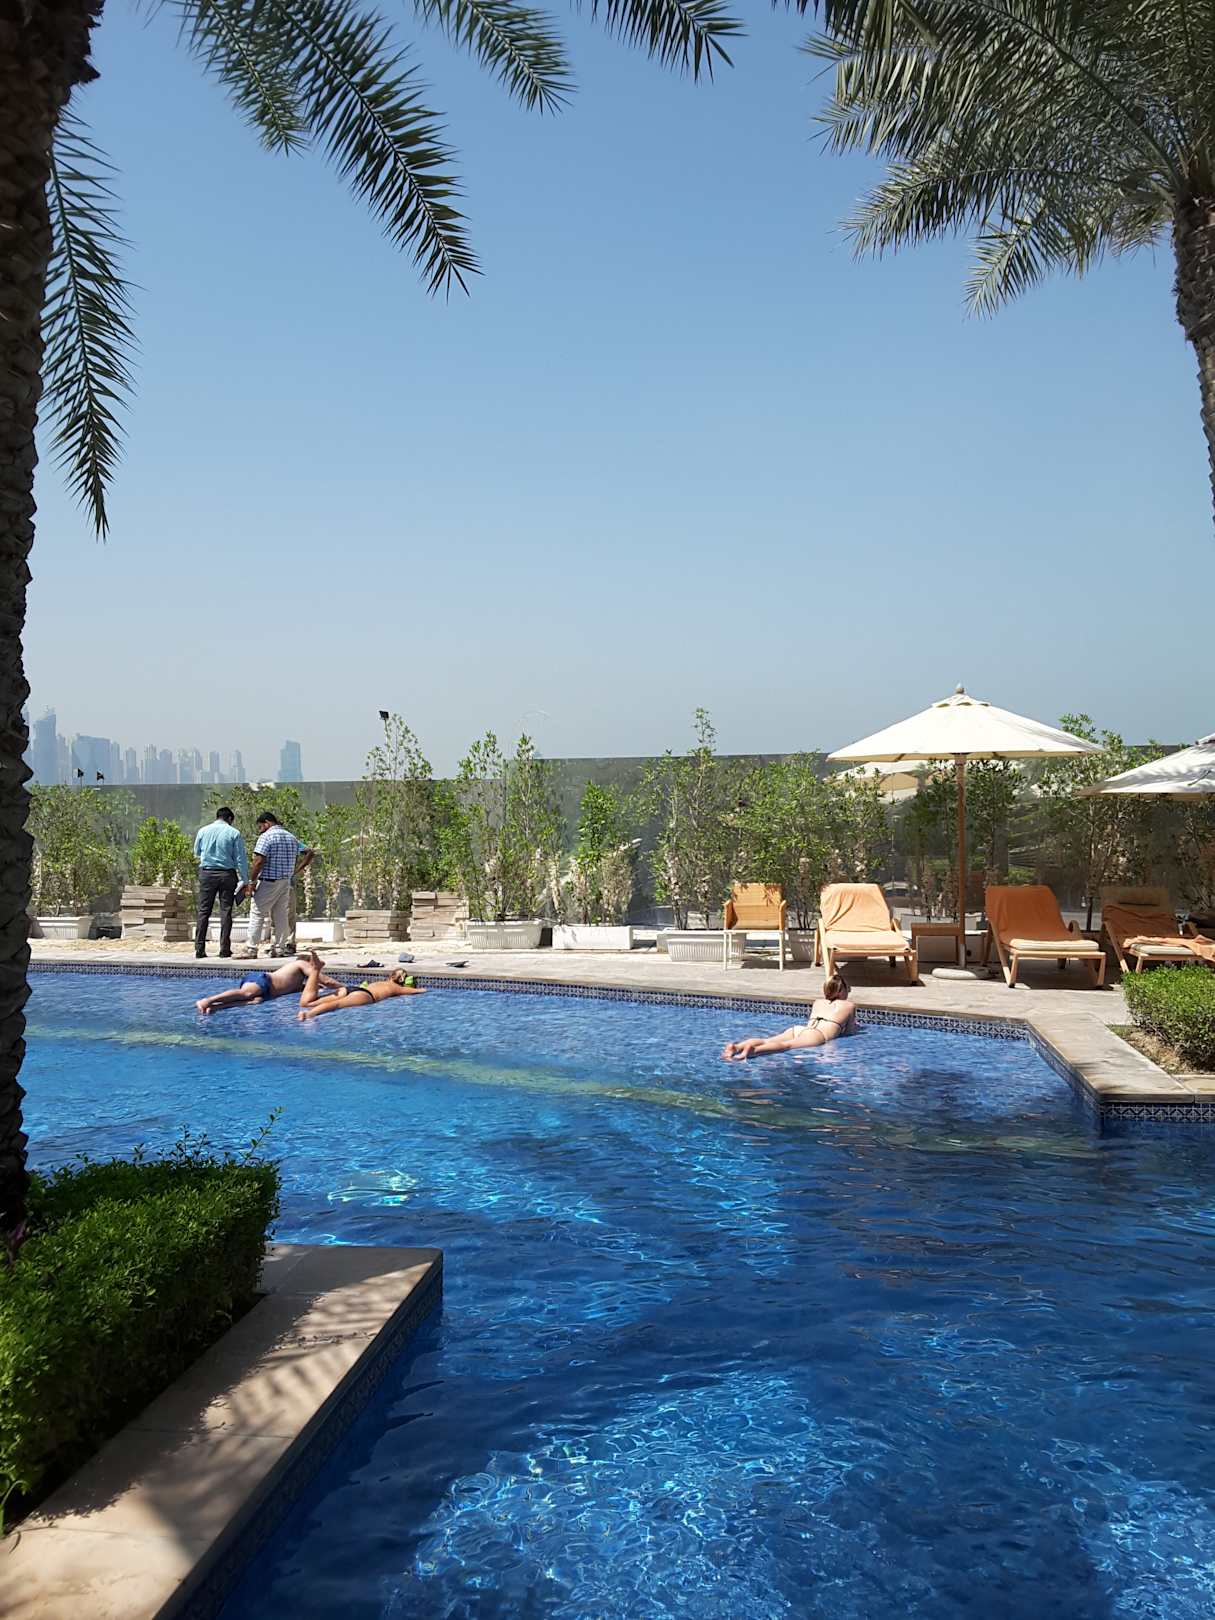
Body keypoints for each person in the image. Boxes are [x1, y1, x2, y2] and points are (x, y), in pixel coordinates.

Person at [721, 974, 857, 1061]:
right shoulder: (849, 1006)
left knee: (766, 1040)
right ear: (841, 991)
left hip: (800, 1029)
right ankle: (753, 1051)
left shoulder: (818, 1002)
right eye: (847, 989)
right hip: (817, 1035)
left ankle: (737, 1047)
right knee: (786, 1046)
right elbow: (849, 1032)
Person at [238, 810, 314, 959]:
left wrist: (251, 881)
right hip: (285, 882)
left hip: (268, 881)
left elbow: (259, 861)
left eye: (260, 827)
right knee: (281, 915)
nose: (260, 830)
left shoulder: (266, 837)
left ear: (266, 823)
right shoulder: (291, 837)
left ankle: (251, 948)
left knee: (257, 913)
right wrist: (297, 870)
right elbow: (309, 852)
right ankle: (279, 947)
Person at [195, 951, 342, 1015]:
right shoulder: (301, 964)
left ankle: (216, 1007)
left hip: (267, 991)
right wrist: (344, 987)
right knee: (246, 993)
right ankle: (208, 1000)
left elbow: (316, 988)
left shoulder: (299, 981)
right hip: (263, 979)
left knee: (254, 1001)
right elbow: (326, 980)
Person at [192, 807, 248, 959]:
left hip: (207, 873)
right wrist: (245, 879)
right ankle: (224, 949)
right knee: (226, 911)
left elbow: (197, 852)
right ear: (229, 819)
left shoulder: (203, 831)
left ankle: (199, 948)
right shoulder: (234, 833)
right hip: (227, 874)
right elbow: (240, 859)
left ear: (217, 817)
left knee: (204, 911)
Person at [297, 960, 426, 1020]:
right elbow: (415, 991)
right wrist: (423, 990)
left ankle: (316, 970)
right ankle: (309, 1015)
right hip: (365, 995)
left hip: (352, 988)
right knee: (336, 1005)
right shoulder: (397, 988)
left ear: (390, 976)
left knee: (307, 1003)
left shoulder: (380, 982)